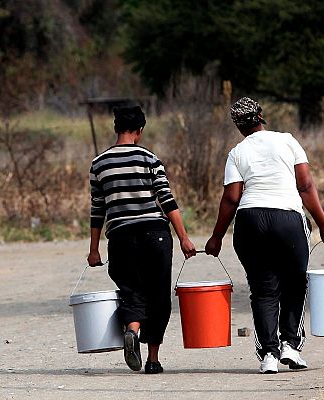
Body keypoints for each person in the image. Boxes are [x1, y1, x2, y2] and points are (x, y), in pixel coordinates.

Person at [204, 97, 324, 374]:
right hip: (287, 218)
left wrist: (216, 237)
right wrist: (323, 223)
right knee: (295, 282)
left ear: (238, 126)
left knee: (263, 290)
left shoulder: (237, 152)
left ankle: (268, 356)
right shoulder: (287, 140)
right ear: (261, 117)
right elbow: (305, 184)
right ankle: (290, 345)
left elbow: (231, 198)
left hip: (250, 221)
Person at [87, 105, 197, 374]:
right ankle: (153, 359)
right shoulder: (149, 158)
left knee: (131, 290)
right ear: (139, 131)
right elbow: (166, 199)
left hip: (121, 237)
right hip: (154, 235)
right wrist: (183, 237)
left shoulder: (99, 164)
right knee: (158, 294)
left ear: (115, 129)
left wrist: (93, 250)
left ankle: (133, 330)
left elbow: (97, 209)